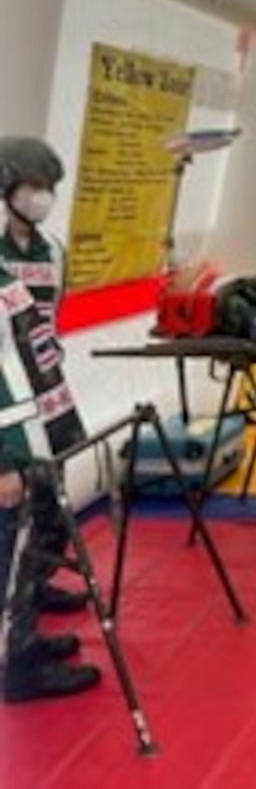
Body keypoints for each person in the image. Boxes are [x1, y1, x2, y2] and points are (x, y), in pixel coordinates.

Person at [0, 225, 100, 700]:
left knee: (25, 549)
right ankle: (16, 668)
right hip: (8, 444)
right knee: (8, 555)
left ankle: (24, 643)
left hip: (31, 430)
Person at [0, 137, 88, 616]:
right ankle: (17, 626)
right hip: (10, 416)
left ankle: (36, 585)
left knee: (53, 507)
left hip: (52, 400)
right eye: (32, 185)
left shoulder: (53, 251)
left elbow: (50, 321)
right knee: (12, 527)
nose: (42, 196)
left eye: (48, 186)